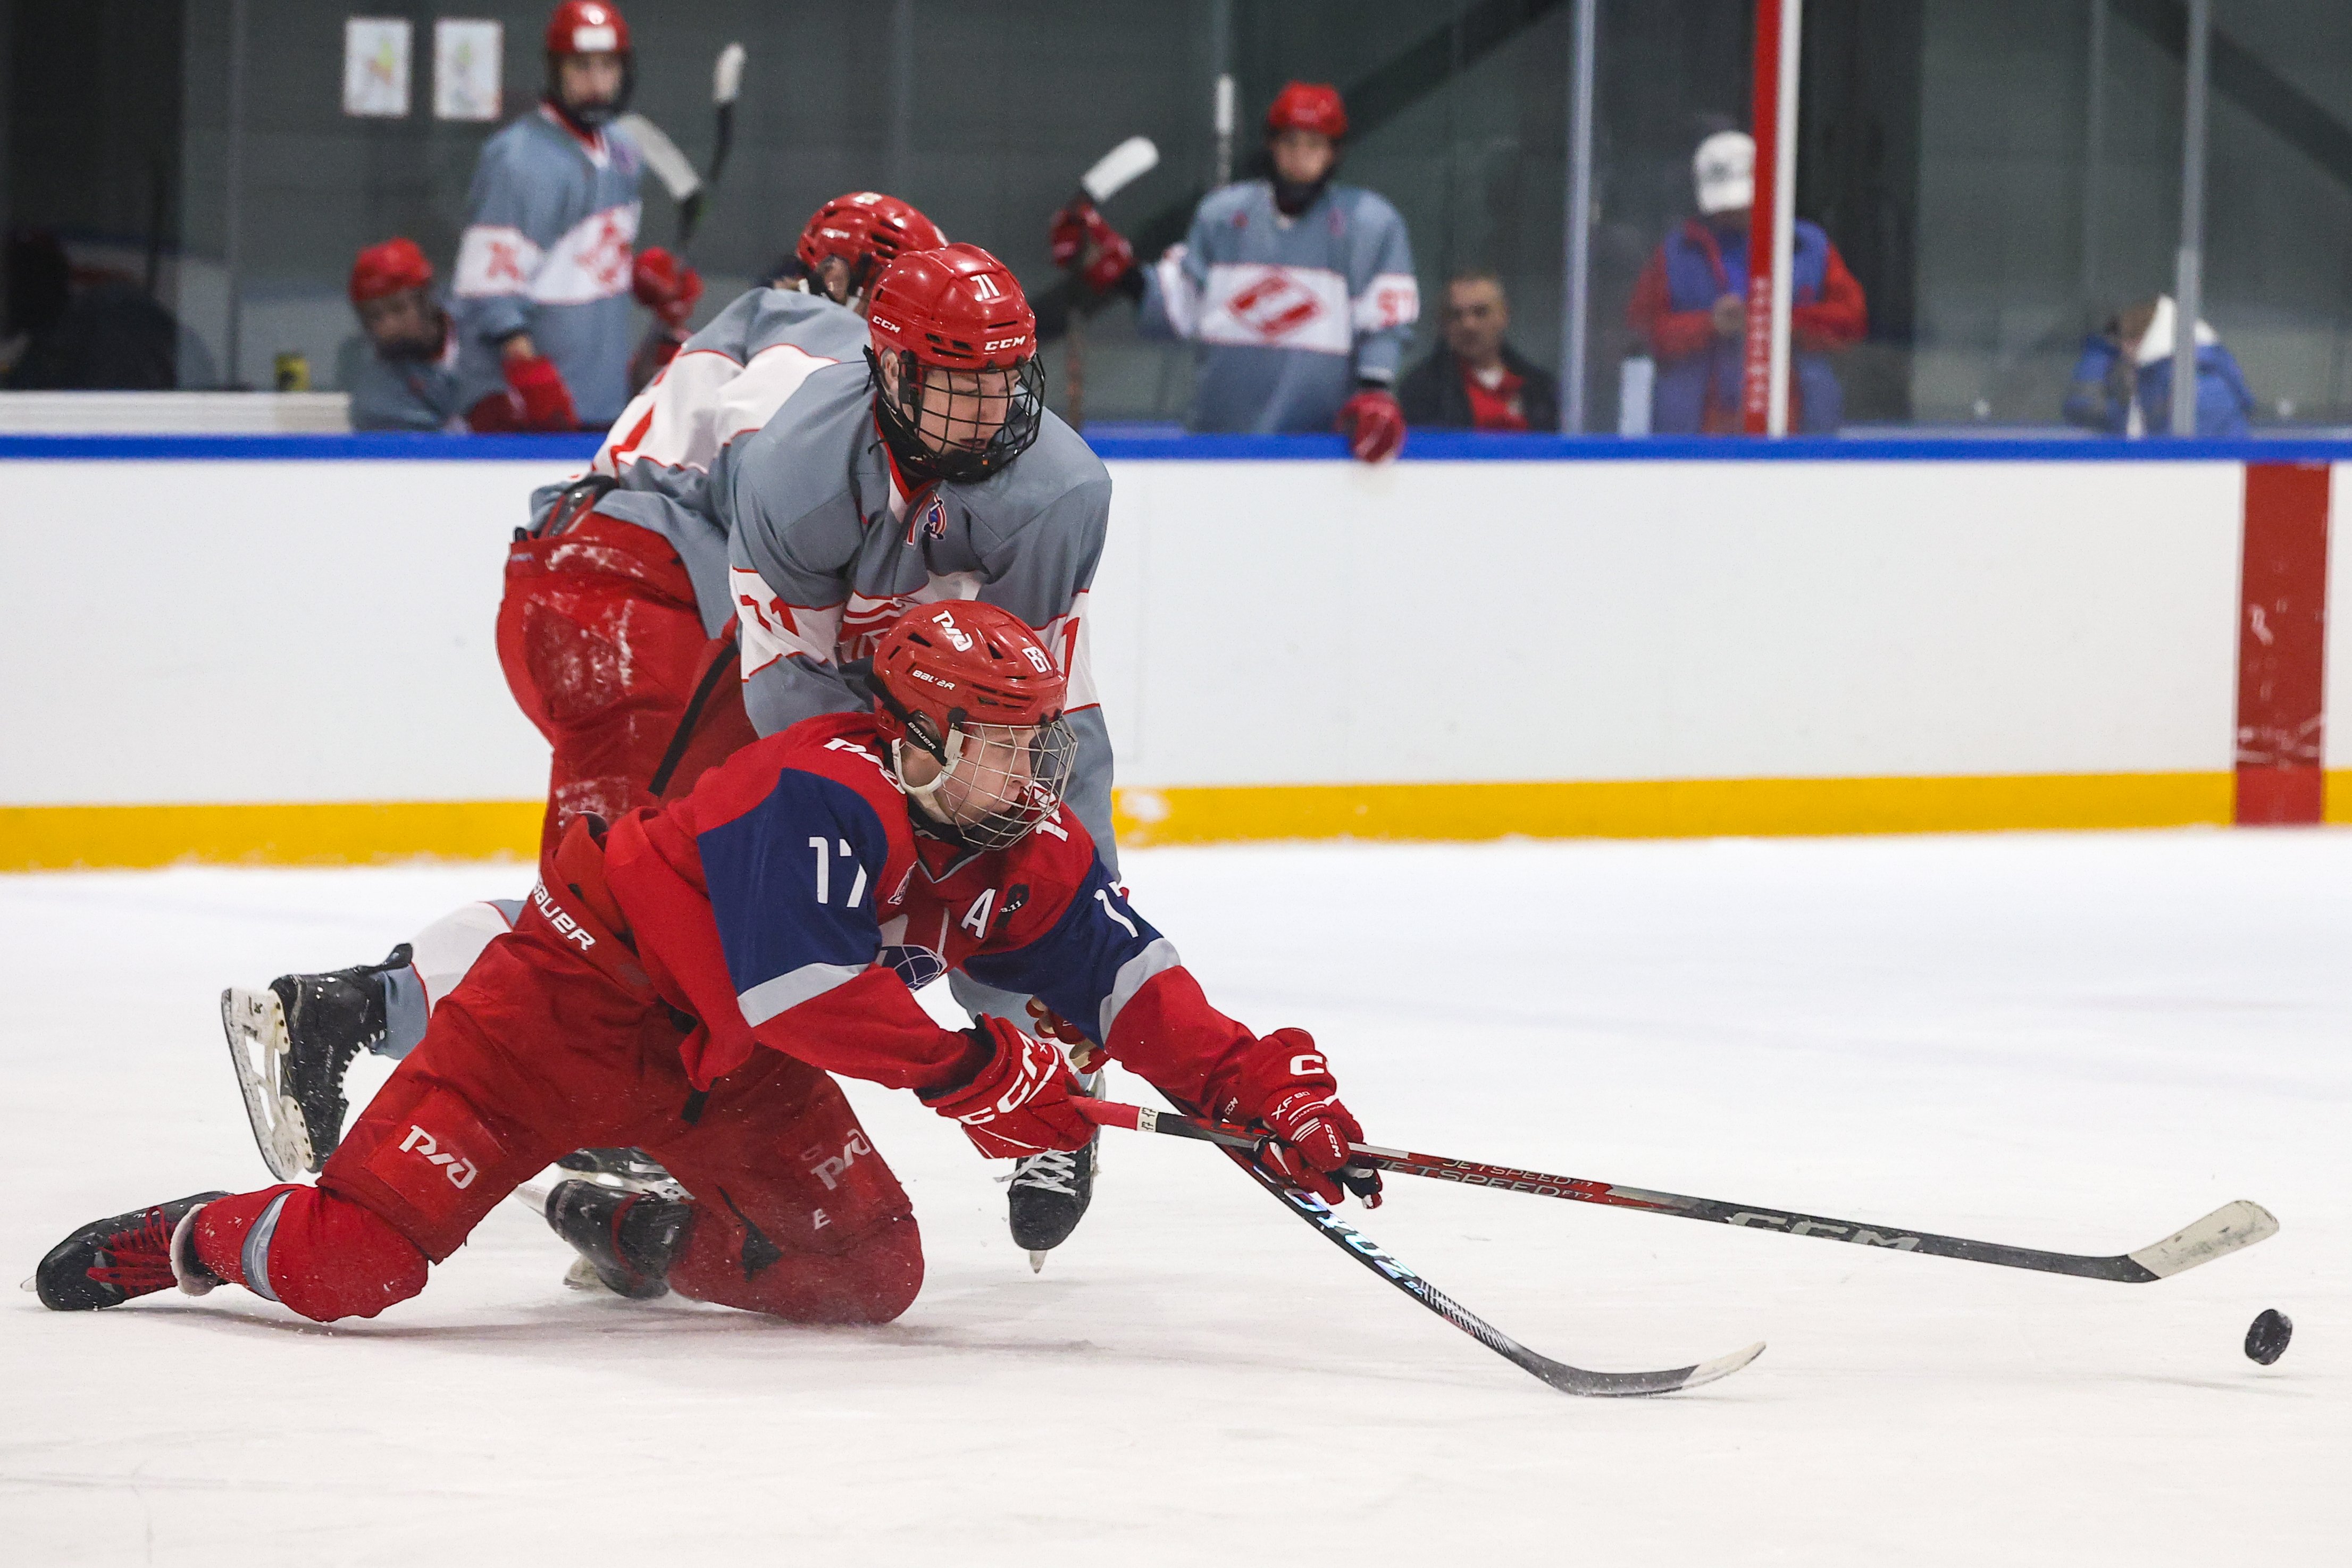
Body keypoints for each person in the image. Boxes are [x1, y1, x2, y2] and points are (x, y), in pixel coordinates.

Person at [37, 601, 1378, 1329]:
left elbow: (1140, 994)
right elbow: (794, 986)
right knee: (350, 1272)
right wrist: (975, 1067)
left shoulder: (1008, 845)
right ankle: (189, 1237)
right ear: (918, 736)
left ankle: (636, 1230)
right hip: (551, 1024)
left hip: (729, 1081)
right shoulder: (816, 787)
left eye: (1042, 743)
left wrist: (1268, 1094)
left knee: (867, 1278)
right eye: (1006, 742)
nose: (1039, 774)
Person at [220, 236, 1120, 1262]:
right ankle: (355, 1010)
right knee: (628, 916)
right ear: (882, 322)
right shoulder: (829, 403)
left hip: (580, 570)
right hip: (648, 595)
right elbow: (899, 717)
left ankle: (375, 1009)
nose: (975, 391)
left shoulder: (781, 341)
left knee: (640, 897)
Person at [1048, 81, 1418, 461]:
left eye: (1314, 145)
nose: (1300, 157)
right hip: (1218, 442)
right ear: (1271, 145)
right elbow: (1181, 307)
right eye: (1291, 143)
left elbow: (1385, 322)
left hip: (1322, 450)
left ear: (1334, 152)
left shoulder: (1369, 224)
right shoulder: (1222, 215)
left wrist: (1376, 390)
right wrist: (1117, 272)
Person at [449, 1, 701, 433]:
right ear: (556, 70)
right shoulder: (517, 158)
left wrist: (643, 278)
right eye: (581, 67)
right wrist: (529, 377)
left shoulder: (623, 150)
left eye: (608, 66)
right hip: (521, 408)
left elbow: (588, 259)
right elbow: (486, 290)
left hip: (600, 402)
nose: (597, 82)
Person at [1628, 130, 1865, 434]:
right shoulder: (1675, 253)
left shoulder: (1810, 247)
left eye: (1743, 200)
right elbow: (1641, 333)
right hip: (1697, 437)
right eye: (1725, 204)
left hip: (1796, 434)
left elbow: (1851, 323)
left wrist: (1787, 322)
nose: (1735, 212)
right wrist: (1709, 325)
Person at [2063, 295, 2254, 438]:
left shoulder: (2199, 384)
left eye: (2122, 345)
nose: (2122, 355)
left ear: (2136, 342)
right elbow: (2086, 412)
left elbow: (2178, 459)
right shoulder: (2154, 380)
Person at [1398, 272, 1560, 432]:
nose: (1469, 325)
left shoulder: (1539, 387)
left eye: (1481, 312)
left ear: (1504, 315)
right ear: (1443, 323)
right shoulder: (1422, 390)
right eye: (1456, 315)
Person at [342, 239, 468, 432]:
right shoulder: (376, 401)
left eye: (398, 308)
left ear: (427, 300)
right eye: (375, 317)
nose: (388, 328)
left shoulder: (484, 334)